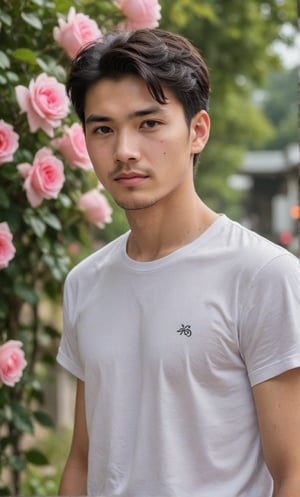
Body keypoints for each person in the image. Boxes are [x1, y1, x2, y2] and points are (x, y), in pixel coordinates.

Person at [57, 28, 300, 497]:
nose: (124, 149)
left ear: (198, 131)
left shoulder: (264, 276)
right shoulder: (84, 282)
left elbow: (294, 472)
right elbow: (85, 459)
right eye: (103, 128)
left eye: (148, 123)